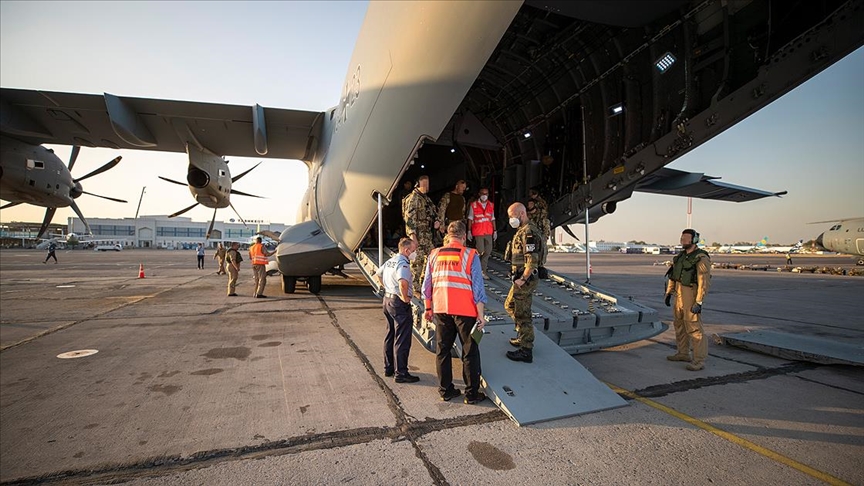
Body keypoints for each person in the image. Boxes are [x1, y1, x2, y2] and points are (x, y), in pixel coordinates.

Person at [423, 221, 488, 404]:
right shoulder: (470, 255)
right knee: (469, 351)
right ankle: (471, 394)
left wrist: (428, 307)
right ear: (464, 236)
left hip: (441, 308)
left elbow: (426, 285)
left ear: (448, 235)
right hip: (465, 311)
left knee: (442, 350)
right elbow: (478, 288)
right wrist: (481, 315)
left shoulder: (434, 254)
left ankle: (446, 391)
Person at [373, 238, 420, 383]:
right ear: (406, 250)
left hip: (387, 300)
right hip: (398, 303)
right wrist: (405, 298)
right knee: (402, 338)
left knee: (390, 334)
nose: (415, 253)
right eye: (413, 251)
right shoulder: (402, 263)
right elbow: (403, 283)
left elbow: (378, 274)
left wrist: (387, 287)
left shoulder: (391, 260)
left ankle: (389, 368)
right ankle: (401, 373)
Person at [664, 229, 712, 371]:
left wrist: (699, 301)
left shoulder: (701, 258)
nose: (682, 240)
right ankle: (683, 353)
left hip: (691, 294)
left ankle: (699, 360)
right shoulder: (680, 257)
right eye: (682, 238)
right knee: (679, 325)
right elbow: (673, 276)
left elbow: (703, 282)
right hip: (678, 294)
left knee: (694, 328)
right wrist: (668, 292)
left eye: (686, 238)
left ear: (694, 240)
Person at [504, 202, 544, 363]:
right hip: (520, 279)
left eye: (512, 216)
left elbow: (532, 260)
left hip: (525, 280)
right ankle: (522, 335)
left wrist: (523, 279)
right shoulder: (522, 230)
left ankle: (526, 350)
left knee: (523, 313)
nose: (511, 220)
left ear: (521, 214)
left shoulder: (528, 232)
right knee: (510, 305)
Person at [402, 175, 441, 292]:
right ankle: (415, 289)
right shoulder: (413, 199)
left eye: (427, 184)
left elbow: (434, 212)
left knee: (431, 259)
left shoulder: (426, 199)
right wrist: (413, 237)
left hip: (427, 235)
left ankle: (424, 283)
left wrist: (437, 221)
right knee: (417, 263)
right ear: (418, 185)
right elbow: (409, 219)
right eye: (424, 184)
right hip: (418, 236)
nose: (426, 187)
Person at [467, 187, 497, 278]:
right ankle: (474, 269)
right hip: (478, 232)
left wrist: (495, 231)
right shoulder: (474, 205)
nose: (484, 195)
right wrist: (469, 231)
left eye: (486, 194)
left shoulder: (491, 205)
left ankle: (483, 271)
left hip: (488, 231)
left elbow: (492, 219)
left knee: (488, 251)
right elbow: (470, 219)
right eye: (483, 194)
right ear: (479, 194)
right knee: (480, 251)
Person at [527, 198, 551, 267]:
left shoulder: (541, 216)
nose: (529, 205)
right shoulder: (526, 216)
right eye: (528, 204)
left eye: (531, 204)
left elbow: (546, 232)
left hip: (539, 241)